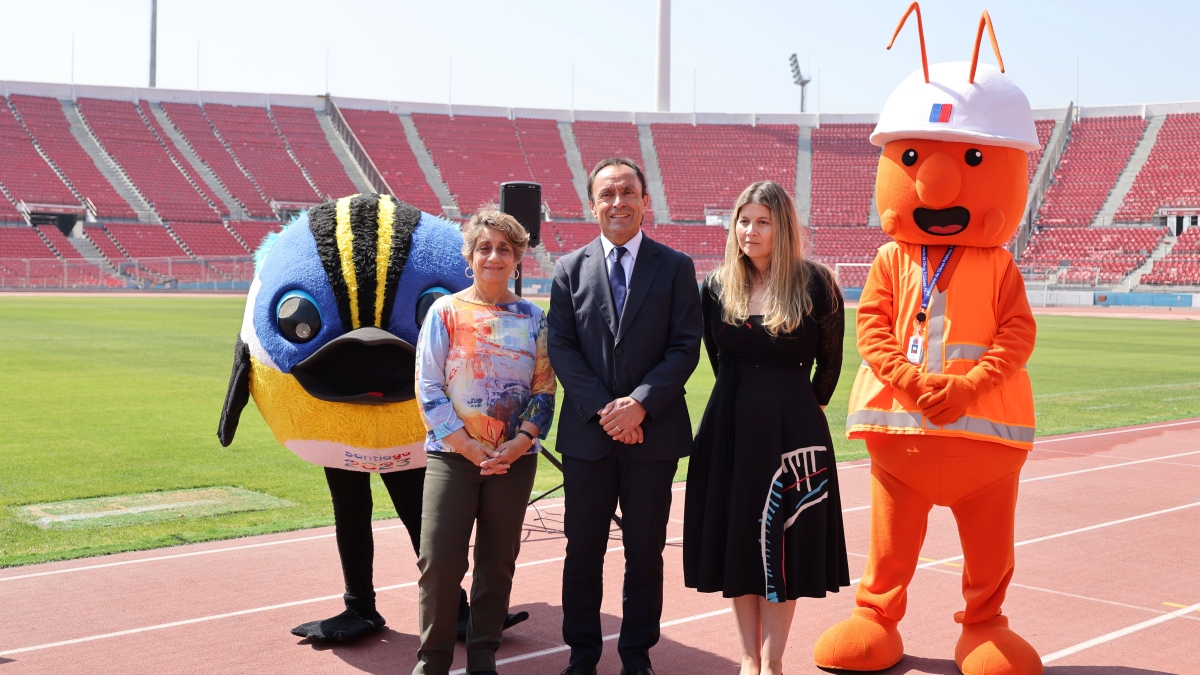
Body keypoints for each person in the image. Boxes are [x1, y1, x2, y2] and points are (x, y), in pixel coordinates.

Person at [683, 181, 850, 675]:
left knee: (783, 542)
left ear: (783, 228)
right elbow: (717, 359)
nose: (749, 231)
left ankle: (774, 662)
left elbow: (831, 363)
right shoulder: (715, 287)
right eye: (742, 220)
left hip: (794, 429)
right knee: (740, 540)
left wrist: (802, 405)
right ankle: (748, 658)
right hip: (729, 427)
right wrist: (746, 403)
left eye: (762, 221)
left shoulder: (817, 283)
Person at [548, 158, 703, 675]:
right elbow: (563, 347)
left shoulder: (676, 266)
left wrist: (640, 403)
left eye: (628, 192)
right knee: (582, 554)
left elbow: (685, 347)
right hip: (588, 439)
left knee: (645, 552)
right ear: (592, 204)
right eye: (607, 194)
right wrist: (606, 411)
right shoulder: (569, 269)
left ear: (644, 200)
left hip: (652, 436)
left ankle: (636, 655)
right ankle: (583, 655)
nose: (618, 202)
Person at [412, 209, 556, 675]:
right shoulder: (445, 311)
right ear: (469, 257)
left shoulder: (533, 317)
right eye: (484, 248)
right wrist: (469, 447)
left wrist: (518, 443)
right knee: (438, 560)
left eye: (505, 249)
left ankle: (482, 658)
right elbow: (428, 387)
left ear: (518, 259)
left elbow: (544, 389)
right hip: (452, 456)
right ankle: (432, 661)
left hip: (515, 460)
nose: (494, 256)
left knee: (497, 564)